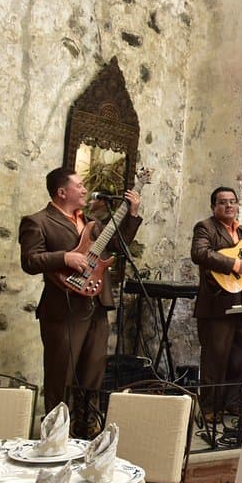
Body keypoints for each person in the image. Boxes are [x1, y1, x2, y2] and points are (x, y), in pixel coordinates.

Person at [19, 167, 142, 417]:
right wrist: (65, 257)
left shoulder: (90, 223)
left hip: (96, 304)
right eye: (79, 185)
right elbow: (30, 261)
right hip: (63, 308)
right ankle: (55, 433)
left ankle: (86, 429)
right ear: (62, 192)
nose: (85, 189)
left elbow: (119, 245)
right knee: (60, 374)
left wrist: (132, 214)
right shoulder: (37, 221)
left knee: (93, 373)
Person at [190, 186, 242, 415]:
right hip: (216, 304)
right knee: (215, 359)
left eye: (232, 202)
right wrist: (233, 264)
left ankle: (233, 403)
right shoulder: (205, 228)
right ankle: (209, 408)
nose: (229, 206)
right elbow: (200, 253)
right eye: (223, 202)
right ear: (213, 207)